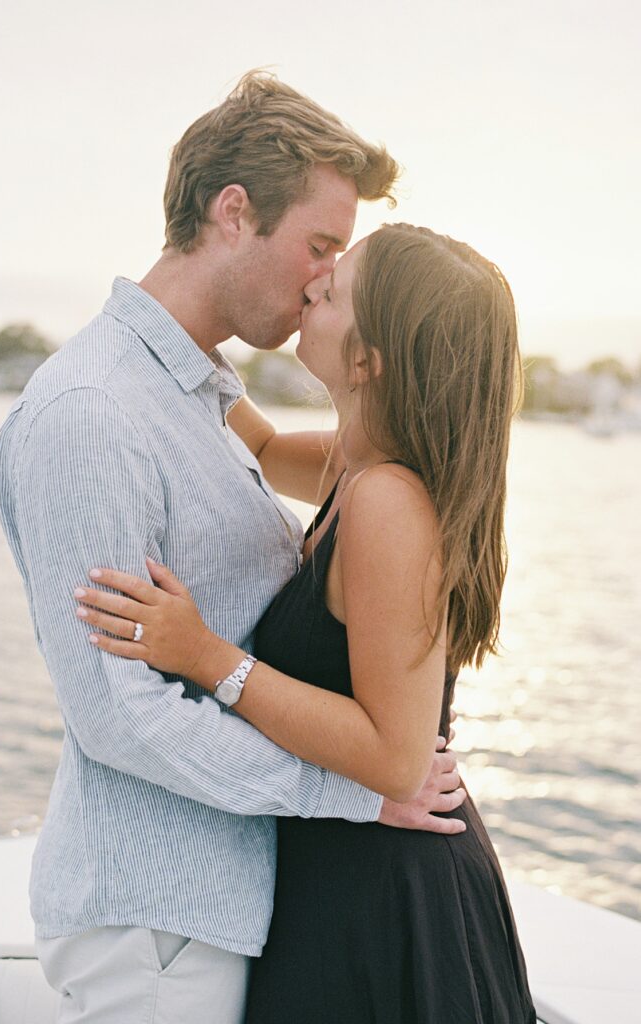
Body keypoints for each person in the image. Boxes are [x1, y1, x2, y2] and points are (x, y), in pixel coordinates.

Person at [0, 74, 467, 1024]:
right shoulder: (95, 414)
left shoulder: (196, 396)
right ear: (234, 211)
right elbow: (120, 719)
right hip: (159, 921)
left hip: (226, 907)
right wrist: (357, 793)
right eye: (320, 245)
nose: (324, 278)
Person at [76, 224, 537, 1023]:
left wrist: (207, 656)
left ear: (368, 360)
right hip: (346, 859)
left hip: (386, 885)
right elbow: (249, 436)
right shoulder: (354, 464)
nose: (314, 282)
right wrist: (178, 319)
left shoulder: (389, 501)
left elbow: (395, 759)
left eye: (335, 286)